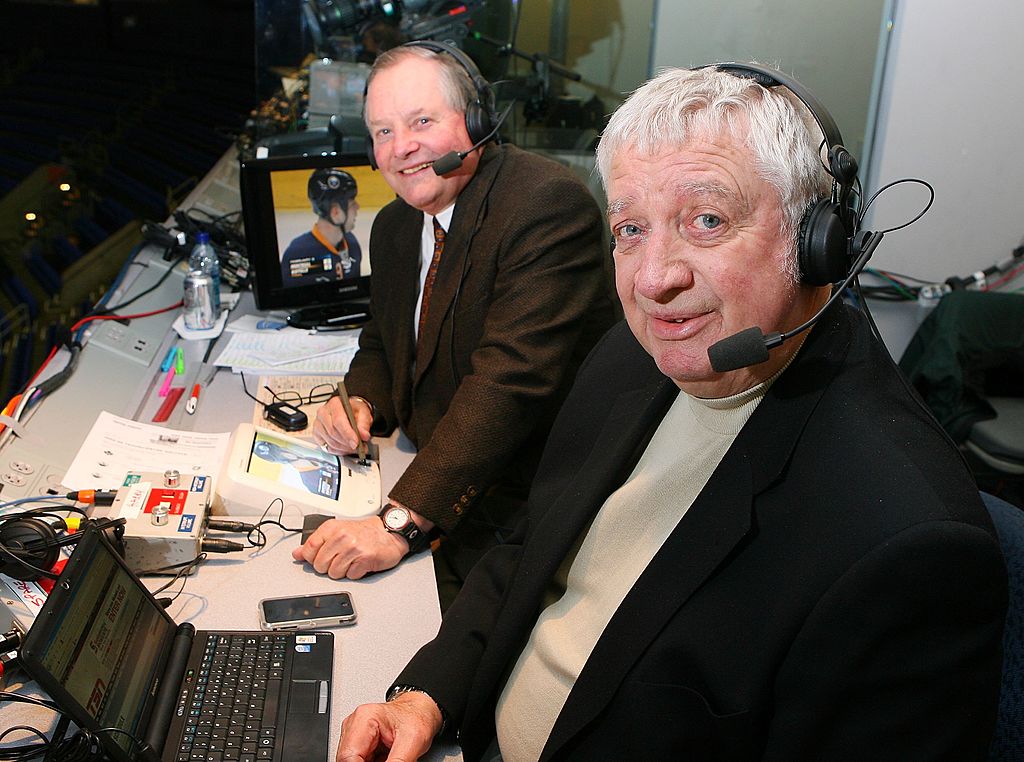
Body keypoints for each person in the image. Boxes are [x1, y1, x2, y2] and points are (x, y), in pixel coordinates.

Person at [334, 64, 1008, 761]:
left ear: (818, 239)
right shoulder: (634, 356)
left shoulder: (908, 544)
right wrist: (426, 696)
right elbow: (529, 548)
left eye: (707, 220)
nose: (655, 280)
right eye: (630, 229)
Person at [293, 42, 614, 605]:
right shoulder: (395, 225)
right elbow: (381, 343)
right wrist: (361, 401)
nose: (403, 147)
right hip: (430, 467)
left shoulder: (544, 206)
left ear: (475, 122)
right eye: (384, 131)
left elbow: (507, 386)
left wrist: (398, 524)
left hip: (514, 501)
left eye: (421, 121)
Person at [280, 167, 362, 285]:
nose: (357, 207)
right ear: (336, 212)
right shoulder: (298, 254)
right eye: (352, 204)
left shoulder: (352, 244)